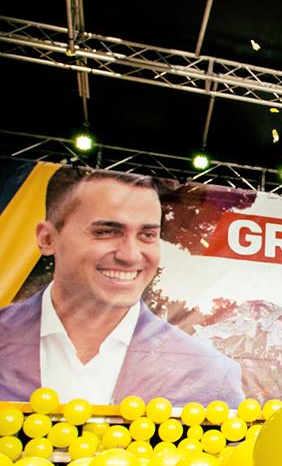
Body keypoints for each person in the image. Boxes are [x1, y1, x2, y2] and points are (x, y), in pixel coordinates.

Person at [0, 167, 244, 406]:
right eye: (107, 232)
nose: (130, 255)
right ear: (47, 239)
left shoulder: (209, 374)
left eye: (147, 235)